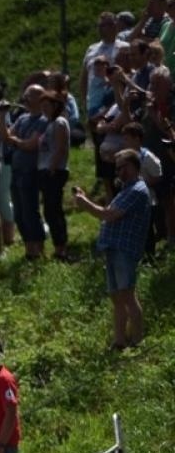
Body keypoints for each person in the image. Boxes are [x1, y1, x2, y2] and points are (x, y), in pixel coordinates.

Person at [74, 149, 153, 350]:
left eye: (122, 167)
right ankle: (119, 341)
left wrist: (85, 204)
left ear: (134, 166)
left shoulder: (137, 189)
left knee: (128, 296)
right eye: (116, 168)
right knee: (117, 298)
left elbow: (109, 215)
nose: (118, 172)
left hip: (124, 250)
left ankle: (137, 342)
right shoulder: (126, 189)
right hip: (113, 249)